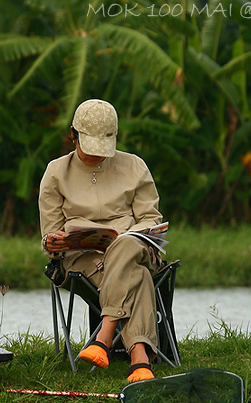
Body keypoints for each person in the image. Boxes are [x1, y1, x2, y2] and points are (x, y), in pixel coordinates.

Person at [39, 99, 164, 382]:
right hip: (84, 259)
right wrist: (54, 242)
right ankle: (140, 360)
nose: (97, 156)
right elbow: (49, 234)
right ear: (73, 135)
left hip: (135, 247)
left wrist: (127, 236)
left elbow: (150, 219)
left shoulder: (135, 166)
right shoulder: (56, 172)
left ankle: (104, 337)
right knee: (139, 276)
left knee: (126, 244)